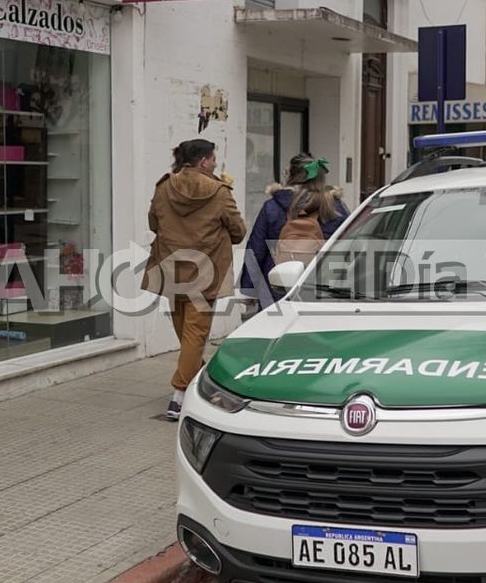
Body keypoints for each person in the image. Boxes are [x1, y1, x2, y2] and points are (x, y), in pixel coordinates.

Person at [143, 139, 246, 421]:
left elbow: (153, 223)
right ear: (203, 162)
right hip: (205, 269)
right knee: (195, 334)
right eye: (213, 159)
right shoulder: (220, 192)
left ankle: (196, 379)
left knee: (186, 333)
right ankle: (179, 397)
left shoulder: (164, 187)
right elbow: (238, 231)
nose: (215, 163)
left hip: (172, 266)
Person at [240, 153, 350, 308]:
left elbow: (256, 248)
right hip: (320, 284)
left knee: (274, 328)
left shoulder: (272, 206)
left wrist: (249, 289)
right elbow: (348, 245)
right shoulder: (334, 207)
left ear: (290, 175)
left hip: (276, 283)